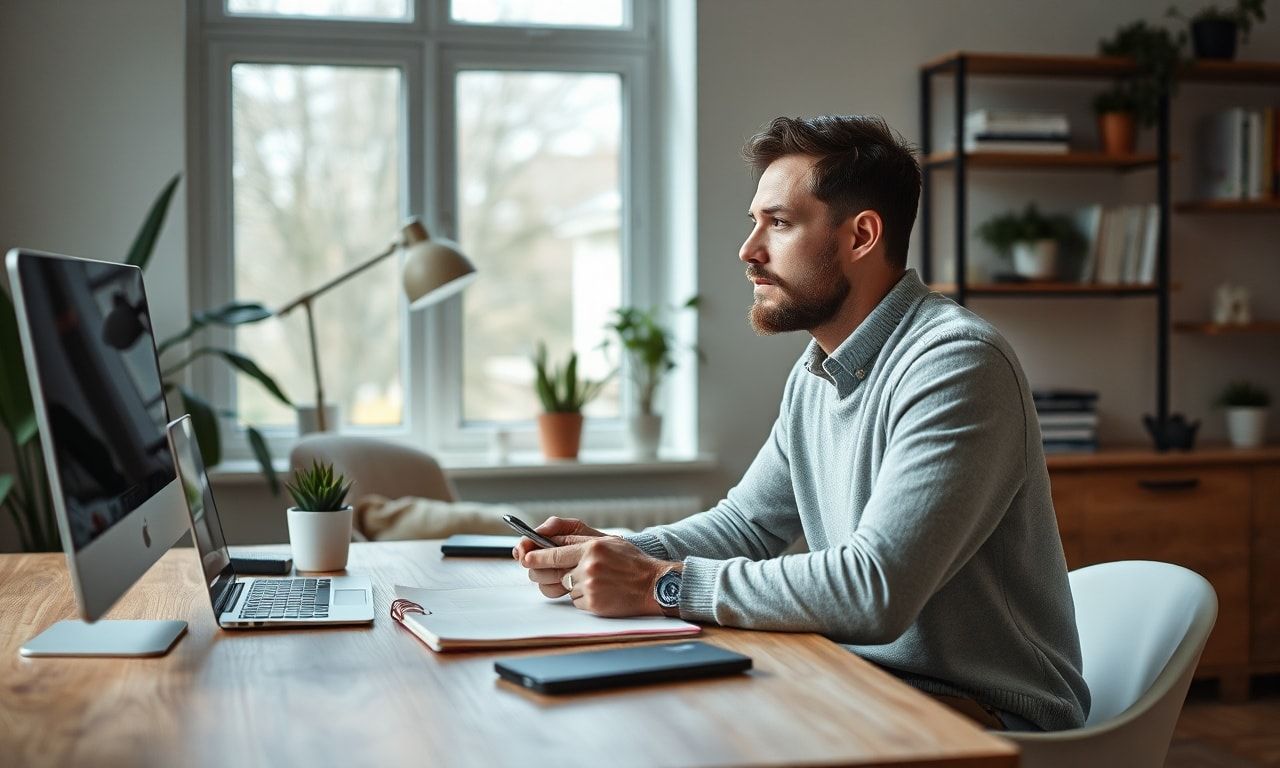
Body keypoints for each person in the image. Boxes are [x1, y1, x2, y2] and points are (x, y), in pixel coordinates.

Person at [514, 114, 1089, 732]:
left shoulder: (956, 364)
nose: (749, 250)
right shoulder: (818, 369)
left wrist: (660, 585)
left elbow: (875, 590)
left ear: (862, 235)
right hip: (861, 681)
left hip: (984, 717)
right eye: (754, 222)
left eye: (779, 223)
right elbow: (749, 525)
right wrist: (620, 551)